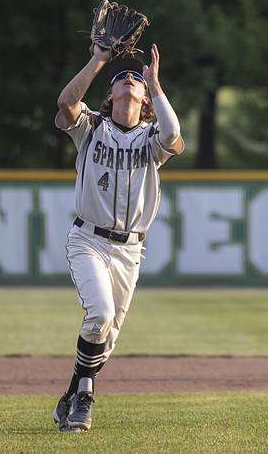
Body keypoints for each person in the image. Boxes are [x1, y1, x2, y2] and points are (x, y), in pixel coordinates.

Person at [52, 42, 184, 432]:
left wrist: (156, 84)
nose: (129, 79)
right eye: (119, 79)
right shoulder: (92, 127)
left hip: (130, 249)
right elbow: (66, 102)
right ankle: (87, 395)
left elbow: (175, 133)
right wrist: (99, 60)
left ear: (144, 98)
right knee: (100, 315)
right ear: (109, 95)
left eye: (135, 79)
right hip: (89, 240)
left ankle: (71, 394)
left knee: (106, 338)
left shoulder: (152, 138)